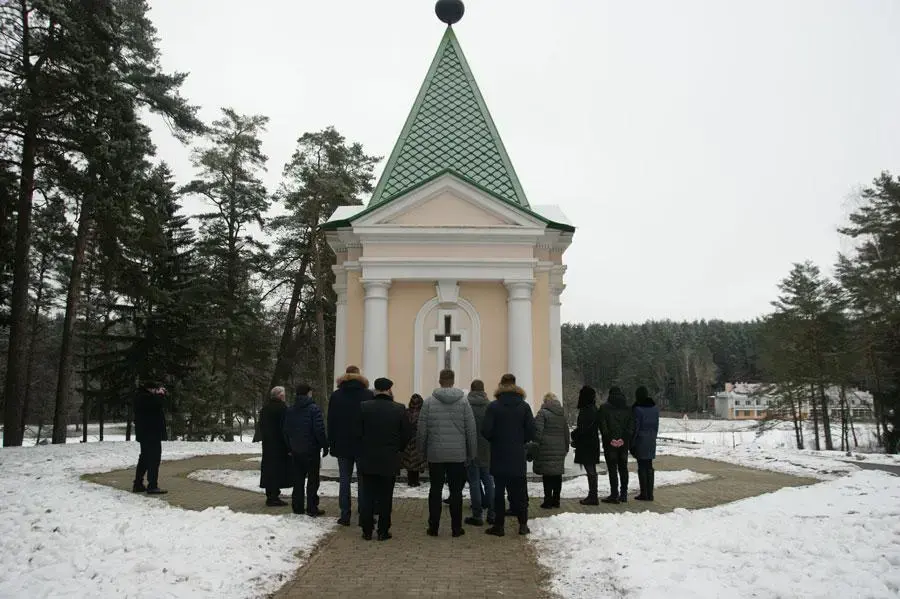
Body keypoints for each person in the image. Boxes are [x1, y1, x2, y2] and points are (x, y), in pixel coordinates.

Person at [417, 368, 477, 538]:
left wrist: (421, 452)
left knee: (435, 490)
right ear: (453, 381)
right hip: (458, 454)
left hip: (435, 454)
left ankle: (433, 527)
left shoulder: (428, 402)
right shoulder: (464, 403)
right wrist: (471, 453)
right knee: (456, 491)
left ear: (439, 381)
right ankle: (456, 528)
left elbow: (422, 430)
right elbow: (470, 430)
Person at [356, 378, 412, 541]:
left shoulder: (364, 407)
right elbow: (407, 433)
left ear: (375, 390)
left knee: (367, 495)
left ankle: (366, 530)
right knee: (386, 496)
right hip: (389, 458)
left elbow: (357, 432)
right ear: (389, 390)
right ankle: (383, 530)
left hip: (368, 457)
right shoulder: (399, 409)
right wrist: (398, 449)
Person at [483, 373, 536, 537]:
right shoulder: (524, 406)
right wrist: (521, 440)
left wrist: (495, 439)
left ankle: (499, 526)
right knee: (520, 491)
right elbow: (531, 431)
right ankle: (523, 524)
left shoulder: (494, 406)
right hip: (517, 454)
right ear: (515, 385)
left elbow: (486, 430)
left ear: (501, 385)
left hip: (499, 454)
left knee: (499, 492)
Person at [327, 365, 373, 526]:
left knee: (344, 479)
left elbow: (331, 422)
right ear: (359, 376)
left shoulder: (336, 396)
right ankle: (363, 512)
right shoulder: (368, 395)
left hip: (342, 443)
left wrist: (331, 443)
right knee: (364, 480)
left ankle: (344, 514)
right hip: (363, 444)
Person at [283, 384, 328, 517]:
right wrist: (324, 445)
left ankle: (297, 506)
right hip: (311, 450)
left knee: (298, 479)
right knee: (313, 480)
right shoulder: (314, 409)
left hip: (296, 449)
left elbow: (285, 430)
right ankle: (312, 507)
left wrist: (289, 446)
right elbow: (319, 430)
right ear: (308, 393)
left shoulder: (290, 410)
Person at [464, 379, 495, 527]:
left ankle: (477, 515)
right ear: (483, 390)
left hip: (470, 448)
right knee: (489, 481)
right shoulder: (490, 406)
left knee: (474, 483)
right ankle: (492, 513)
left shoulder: (466, 405)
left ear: (471, 389)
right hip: (487, 448)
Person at [531, 392, 570, 509]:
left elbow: (538, 431)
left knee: (547, 475)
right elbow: (566, 433)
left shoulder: (542, 413)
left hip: (545, 448)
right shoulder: (561, 415)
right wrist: (566, 447)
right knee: (557, 475)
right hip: (560, 448)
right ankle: (556, 500)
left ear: (545, 402)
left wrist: (534, 445)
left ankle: (547, 501)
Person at [599, 386, 635, 504]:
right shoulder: (629, 409)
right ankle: (623, 494)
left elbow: (603, 426)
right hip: (623, 444)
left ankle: (614, 494)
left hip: (610, 444)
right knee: (623, 468)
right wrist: (623, 439)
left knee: (612, 469)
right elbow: (631, 426)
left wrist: (611, 439)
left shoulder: (604, 408)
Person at [257, 386, 292, 506]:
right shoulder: (283, 409)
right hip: (280, 445)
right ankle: (274, 496)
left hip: (268, 444)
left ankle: (270, 494)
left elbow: (261, 427)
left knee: (269, 469)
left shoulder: (265, 409)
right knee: (278, 470)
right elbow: (286, 428)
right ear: (281, 396)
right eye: (284, 395)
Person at [133, 381, 168, 495]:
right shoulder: (145, 398)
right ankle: (152, 485)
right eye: (155, 389)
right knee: (153, 459)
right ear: (151, 389)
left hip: (145, 433)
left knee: (144, 459)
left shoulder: (141, 396)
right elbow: (156, 404)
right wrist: (160, 395)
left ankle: (138, 484)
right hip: (151, 433)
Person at [571, 386, 600, 505]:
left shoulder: (587, 410)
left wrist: (574, 434)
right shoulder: (593, 409)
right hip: (591, 443)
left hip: (587, 444)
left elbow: (583, 428)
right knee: (591, 469)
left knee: (590, 470)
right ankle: (593, 495)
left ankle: (593, 496)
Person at [632, 386, 660, 501]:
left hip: (641, 440)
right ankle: (650, 493)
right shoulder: (655, 409)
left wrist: (632, 442)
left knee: (642, 466)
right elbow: (656, 425)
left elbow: (636, 427)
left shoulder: (637, 409)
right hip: (651, 439)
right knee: (649, 465)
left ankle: (644, 493)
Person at [401, 394, 426, 487]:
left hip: (407, 439)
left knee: (409, 461)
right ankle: (415, 481)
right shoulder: (423, 413)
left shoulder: (406, 412)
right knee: (416, 461)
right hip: (418, 439)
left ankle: (411, 480)